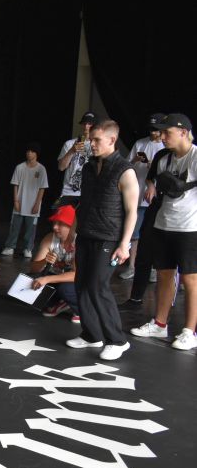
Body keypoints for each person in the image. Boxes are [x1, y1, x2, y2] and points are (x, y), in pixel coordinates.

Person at [65, 119, 138, 361]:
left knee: (98, 286)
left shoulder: (125, 170)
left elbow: (132, 211)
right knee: (81, 285)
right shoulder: (88, 167)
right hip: (86, 234)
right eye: (91, 140)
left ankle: (117, 340)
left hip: (109, 238)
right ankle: (91, 335)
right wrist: (72, 232)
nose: (92, 144)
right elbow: (82, 203)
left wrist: (124, 244)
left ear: (112, 140)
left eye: (97, 140)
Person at [131, 113, 197, 351]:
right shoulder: (162, 157)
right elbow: (153, 183)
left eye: (167, 132)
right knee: (164, 275)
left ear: (183, 132)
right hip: (164, 223)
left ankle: (190, 331)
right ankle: (160, 323)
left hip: (190, 227)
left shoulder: (195, 156)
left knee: (190, 279)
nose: (162, 136)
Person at [120, 113, 166, 280]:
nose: (153, 133)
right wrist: (135, 159)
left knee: (155, 233)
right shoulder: (140, 143)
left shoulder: (166, 146)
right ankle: (131, 266)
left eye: (156, 129)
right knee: (134, 233)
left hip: (157, 198)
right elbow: (125, 166)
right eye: (151, 129)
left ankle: (153, 268)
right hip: (138, 195)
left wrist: (153, 167)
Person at [31, 205, 79, 323]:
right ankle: (61, 303)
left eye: (60, 224)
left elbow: (76, 275)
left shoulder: (78, 242)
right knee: (32, 282)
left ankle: (83, 310)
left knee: (66, 289)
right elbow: (34, 269)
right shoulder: (49, 238)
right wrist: (45, 261)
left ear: (71, 225)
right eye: (54, 222)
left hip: (78, 283)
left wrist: (46, 279)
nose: (55, 227)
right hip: (57, 279)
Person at [1, 142, 48, 258]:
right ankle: (10, 247)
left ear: (36, 154)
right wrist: (16, 201)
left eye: (32, 151)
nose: (29, 153)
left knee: (30, 230)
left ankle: (28, 248)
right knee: (15, 227)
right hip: (20, 203)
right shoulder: (20, 167)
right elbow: (15, 185)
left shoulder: (41, 169)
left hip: (33, 205)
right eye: (28, 151)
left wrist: (37, 204)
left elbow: (42, 188)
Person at [55, 111, 97, 208]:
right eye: (84, 123)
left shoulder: (98, 146)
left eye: (90, 124)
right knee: (61, 217)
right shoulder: (70, 143)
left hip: (90, 192)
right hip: (69, 192)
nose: (86, 126)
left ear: (95, 126)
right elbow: (61, 167)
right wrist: (72, 151)